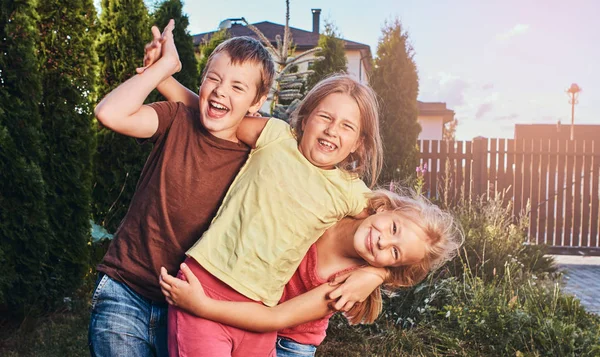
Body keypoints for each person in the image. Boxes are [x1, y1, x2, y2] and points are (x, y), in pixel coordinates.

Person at [143, 28, 386, 357]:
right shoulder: (275, 136)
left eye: (347, 126)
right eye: (325, 117)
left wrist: (376, 273)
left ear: (358, 143)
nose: (332, 130)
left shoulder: (351, 192)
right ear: (305, 118)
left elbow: (401, 234)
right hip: (207, 281)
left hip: (260, 311)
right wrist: (161, 76)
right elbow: (212, 114)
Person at [88, 20, 276, 357]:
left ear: (257, 101)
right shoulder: (176, 119)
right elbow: (109, 113)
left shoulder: (258, 156)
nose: (220, 91)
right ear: (202, 82)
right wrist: (162, 68)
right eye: (213, 79)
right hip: (125, 290)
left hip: (191, 311)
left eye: (238, 87)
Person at [159, 189, 462, 356]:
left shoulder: (344, 284)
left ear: (392, 266)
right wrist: (378, 275)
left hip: (288, 341)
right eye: (393, 228)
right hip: (252, 313)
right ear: (384, 208)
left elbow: (274, 320)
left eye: (394, 253)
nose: (383, 241)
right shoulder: (340, 203)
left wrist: (202, 306)